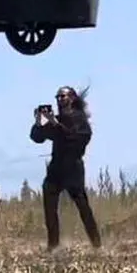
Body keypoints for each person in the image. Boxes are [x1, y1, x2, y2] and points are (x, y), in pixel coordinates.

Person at [30, 85, 102, 250]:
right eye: (58, 97)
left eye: (63, 96)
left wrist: (55, 124)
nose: (59, 99)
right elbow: (37, 138)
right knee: (49, 206)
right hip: (56, 167)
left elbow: (73, 138)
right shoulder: (57, 120)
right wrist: (39, 123)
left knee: (82, 206)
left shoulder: (80, 120)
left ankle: (96, 243)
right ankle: (53, 245)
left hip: (73, 167)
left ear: (72, 98)